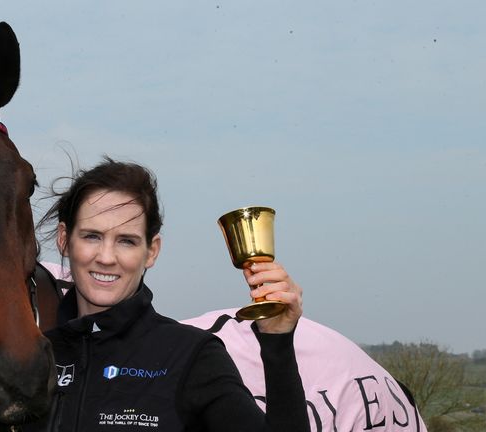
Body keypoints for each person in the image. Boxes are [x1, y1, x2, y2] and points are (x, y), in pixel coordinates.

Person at [25, 157, 310, 432]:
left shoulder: (191, 355)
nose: (107, 257)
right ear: (64, 240)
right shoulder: (29, 358)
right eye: (92, 236)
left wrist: (278, 342)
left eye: (127, 241)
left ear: (151, 251)